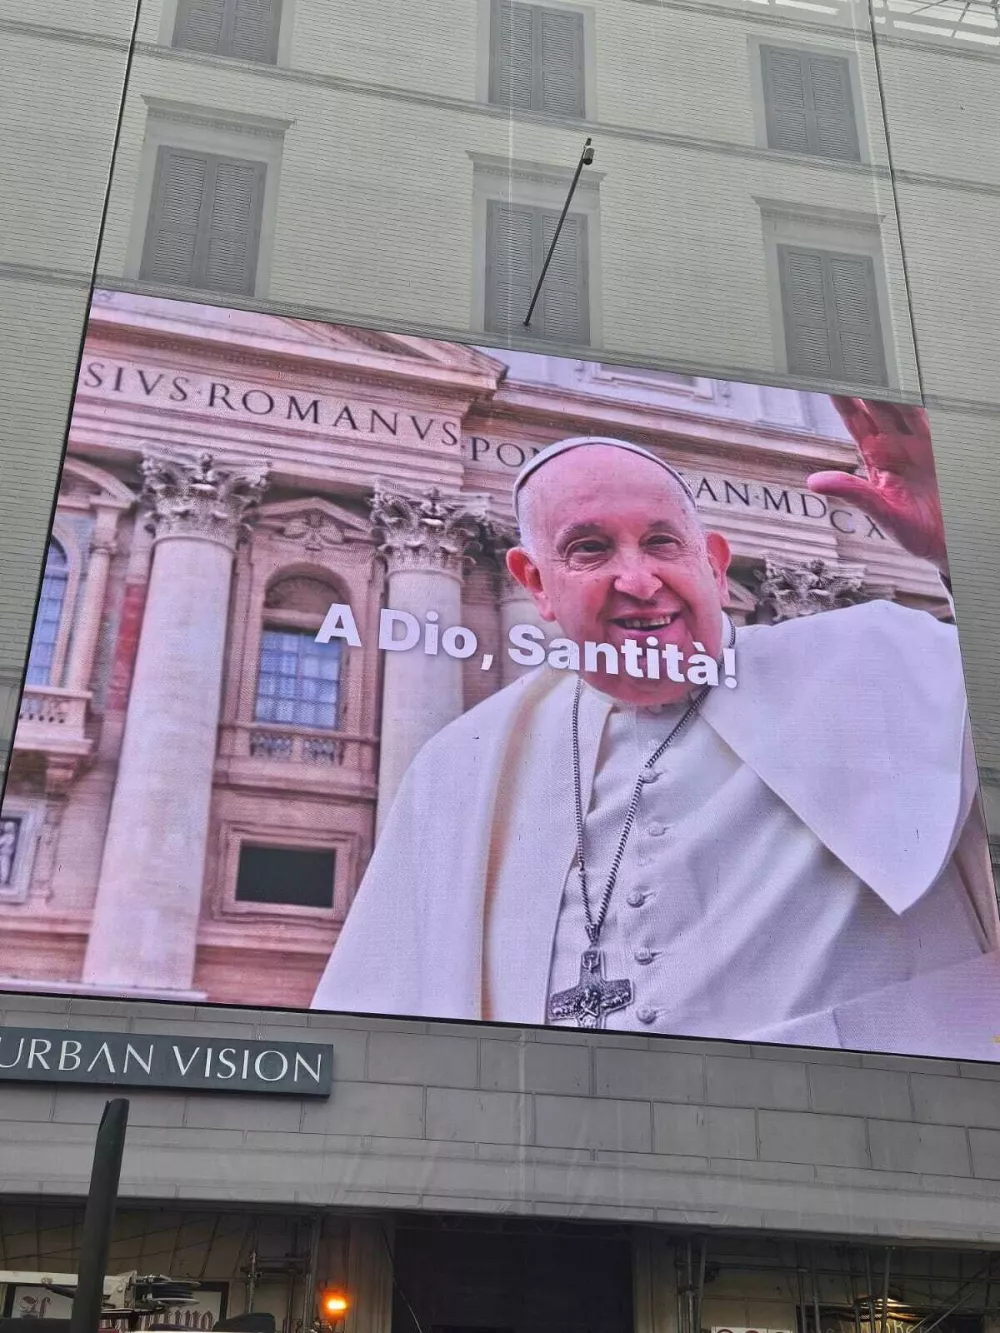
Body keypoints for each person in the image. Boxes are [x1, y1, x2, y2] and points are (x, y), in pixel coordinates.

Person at [312, 397, 1000, 1059]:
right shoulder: (462, 760)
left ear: (717, 564)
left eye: (663, 542)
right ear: (535, 583)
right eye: (589, 549)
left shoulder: (876, 660)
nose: (638, 579)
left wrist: (975, 552)